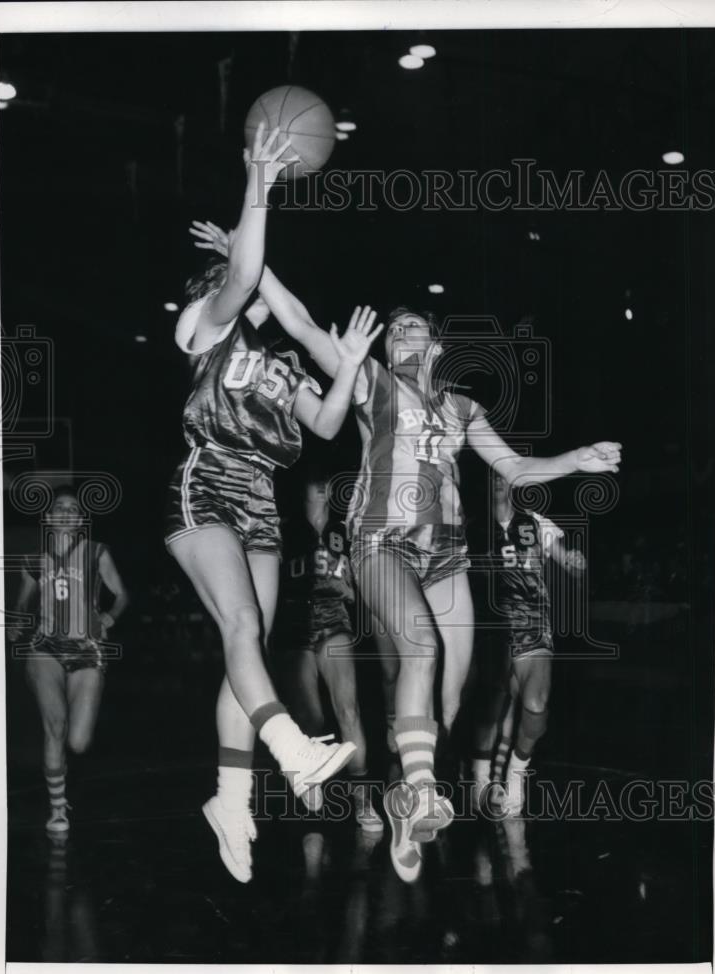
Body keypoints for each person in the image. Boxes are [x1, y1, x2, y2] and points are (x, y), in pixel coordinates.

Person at [189, 218, 621, 881]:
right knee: (422, 647)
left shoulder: (463, 408)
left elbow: (515, 472)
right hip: (379, 541)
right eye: (395, 331)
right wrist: (251, 264)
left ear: (439, 344)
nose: (404, 334)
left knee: (443, 709)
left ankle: (404, 807)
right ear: (386, 349)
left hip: (446, 553)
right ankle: (417, 793)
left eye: (416, 327)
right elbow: (302, 326)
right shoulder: (369, 384)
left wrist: (576, 460)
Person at [168, 127, 383, 884]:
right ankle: (292, 750)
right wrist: (257, 183)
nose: (234, 285)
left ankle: (230, 798)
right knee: (239, 624)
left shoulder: (278, 365)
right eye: (222, 280)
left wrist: (349, 365)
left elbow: (327, 425)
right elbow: (248, 272)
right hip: (206, 486)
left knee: (247, 648)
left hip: (263, 501)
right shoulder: (210, 330)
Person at [8, 489, 129, 833]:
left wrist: (110, 617)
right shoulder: (34, 560)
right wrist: (16, 622)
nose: (64, 512)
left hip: (87, 649)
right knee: (55, 726)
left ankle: (65, 785)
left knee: (78, 741)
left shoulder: (96, 552)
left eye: (72, 509)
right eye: (58, 508)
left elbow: (122, 594)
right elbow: (22, 604)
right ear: (48, 518)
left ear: (79, 521)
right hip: (45, 647)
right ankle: (58, 810)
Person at [471, 473, 587, 817]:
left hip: (534, 623)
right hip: (491, 624)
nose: (495, 482)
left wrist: (575, 564)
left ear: (512, 483)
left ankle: (516, 774)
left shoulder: (535, 522)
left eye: (501, 476)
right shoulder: (470, 525)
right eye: (489, 476)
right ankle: (480, 776)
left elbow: (567, 561)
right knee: (491, 706)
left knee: (536, 705)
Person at [276, 469, 383, 834]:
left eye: (327, 481)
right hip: (293, 621)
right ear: (301, 487)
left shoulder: (344, 531)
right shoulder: (283, 528)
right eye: (315, 478)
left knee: (349, 709)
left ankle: (362, 799)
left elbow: (359, 581)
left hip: (335, 618)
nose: (322, 484)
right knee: (311, 717)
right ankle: (312, 783)